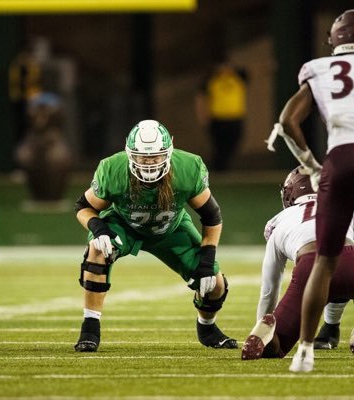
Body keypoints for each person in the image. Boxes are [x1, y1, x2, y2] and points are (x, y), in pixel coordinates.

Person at [73, 119, 237, 352]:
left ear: (169, 153)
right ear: (129, 154)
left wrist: (208, 259)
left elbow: (212, 216)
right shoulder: (113, 168)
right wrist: (98, 229)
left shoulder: (187, 167)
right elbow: (83, 206)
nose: (149, 163)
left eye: (156, 157)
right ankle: (90, 329)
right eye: (142, 157)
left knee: (215, 284)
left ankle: (207, 328)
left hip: (171, 229)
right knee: (97, 250)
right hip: (124, 226)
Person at [264, 9, 354, 372]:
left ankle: (304, 349)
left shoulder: (318, 68)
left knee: (326, 260)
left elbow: (287, 120)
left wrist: (312, 164)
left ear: (334, 39)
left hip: (339, 159)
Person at [241, 167, 354, 361]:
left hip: (310, 268)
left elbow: (270, 287)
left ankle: (266, 337)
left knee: (275, 349)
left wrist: (264, 320)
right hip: (350, 258)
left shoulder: (280, 221)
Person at [195, 56, 247, 171]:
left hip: (235, 118)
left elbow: (258, 71)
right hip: (218, 119)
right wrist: (202, 115)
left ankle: (223, 168)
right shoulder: (211, 80)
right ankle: (219, 170)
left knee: (233, 143)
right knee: (219, 146)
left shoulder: (238, 78)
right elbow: (200, 98)